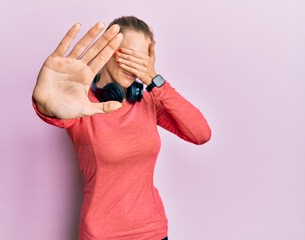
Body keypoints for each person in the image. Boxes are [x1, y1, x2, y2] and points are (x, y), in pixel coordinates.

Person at [32, 16, 211, 240]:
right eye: (127, 55)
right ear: (106, 51)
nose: (133, 67)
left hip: (153, 232)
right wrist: (45, 104)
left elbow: (201, 134)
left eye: (141, 60)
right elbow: (55, 113)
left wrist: (155, 80)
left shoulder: (149, 101)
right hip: (101, 234)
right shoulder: (82, 105)